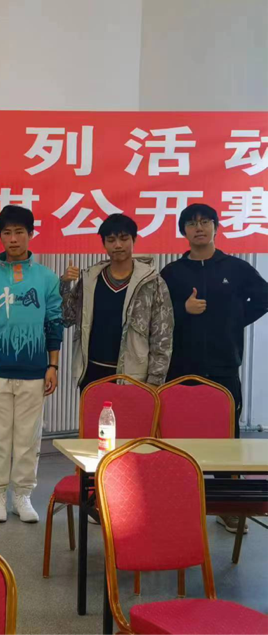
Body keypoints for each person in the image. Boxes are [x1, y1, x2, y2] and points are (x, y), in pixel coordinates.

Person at [160, 203, 268, 533]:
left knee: (226, 437)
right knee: (179, 436)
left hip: (223, 366)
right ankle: (178, 501)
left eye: (205, 222)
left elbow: (263, 297)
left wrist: (234, 319)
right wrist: (183, 309)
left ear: (216, 227)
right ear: (183, 231)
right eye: (192, 223)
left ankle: (228, 507)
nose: (199, 228)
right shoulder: (172, 273)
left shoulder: (236, 268)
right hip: (181, 367)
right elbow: (157, 315)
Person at [0, 205, 63, 524]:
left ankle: (22, 495)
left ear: (30, 234)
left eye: (19, 232)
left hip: (34, 371)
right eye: (7, 232)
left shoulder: (46, 278)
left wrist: (52, 366)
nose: (13, 239)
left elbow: (54, 322)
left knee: (28, 438)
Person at [60, 214, 173, 392]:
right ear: (104, 244)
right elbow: (67, 318)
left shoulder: (152, 283)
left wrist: (155, 380)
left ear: (134, 240)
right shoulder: (90, 279)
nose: (118, 245)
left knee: (131, 413)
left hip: (133, 377)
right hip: (91, 373)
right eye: (111, 240)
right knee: (92, 412)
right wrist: (64, 284)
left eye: (124, 238)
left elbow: (162, 335)